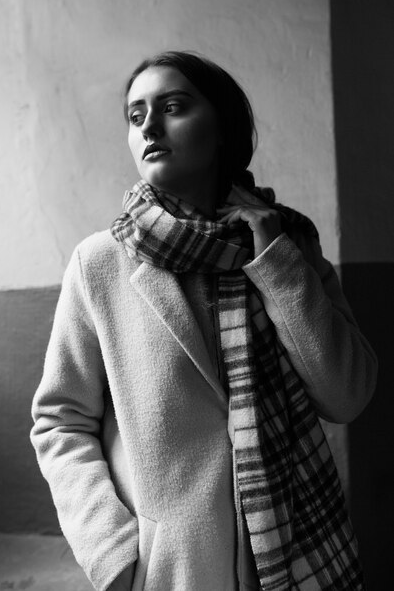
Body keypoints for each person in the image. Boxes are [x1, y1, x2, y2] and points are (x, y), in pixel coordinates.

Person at [30, 51, 377, 591]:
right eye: (135, 114)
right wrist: (113, 554)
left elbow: (347, 395)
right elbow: (59, 421)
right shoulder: (100, 262)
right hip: (173, 568)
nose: (149, 125)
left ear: (222, 131)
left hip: (301, 555)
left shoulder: (290, 244)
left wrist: (278, 266)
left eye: (172, 106)